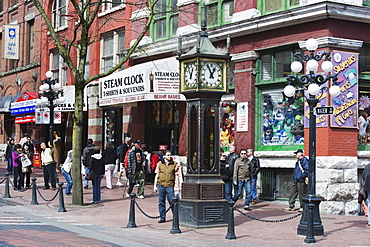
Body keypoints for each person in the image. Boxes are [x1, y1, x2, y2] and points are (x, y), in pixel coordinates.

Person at [153, 150, 178, 223]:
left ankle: (176, 216)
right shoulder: (160, 164)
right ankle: (162, 217)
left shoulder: (174, 164)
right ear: (164, 156)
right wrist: (155, 186)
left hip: (170, 186)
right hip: (161, 185)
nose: (169, 156)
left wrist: (177, 186)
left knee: (172, 201)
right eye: (168, 155)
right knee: (161, 202)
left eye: (170, 155)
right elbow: (157, 175)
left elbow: (177, 176)